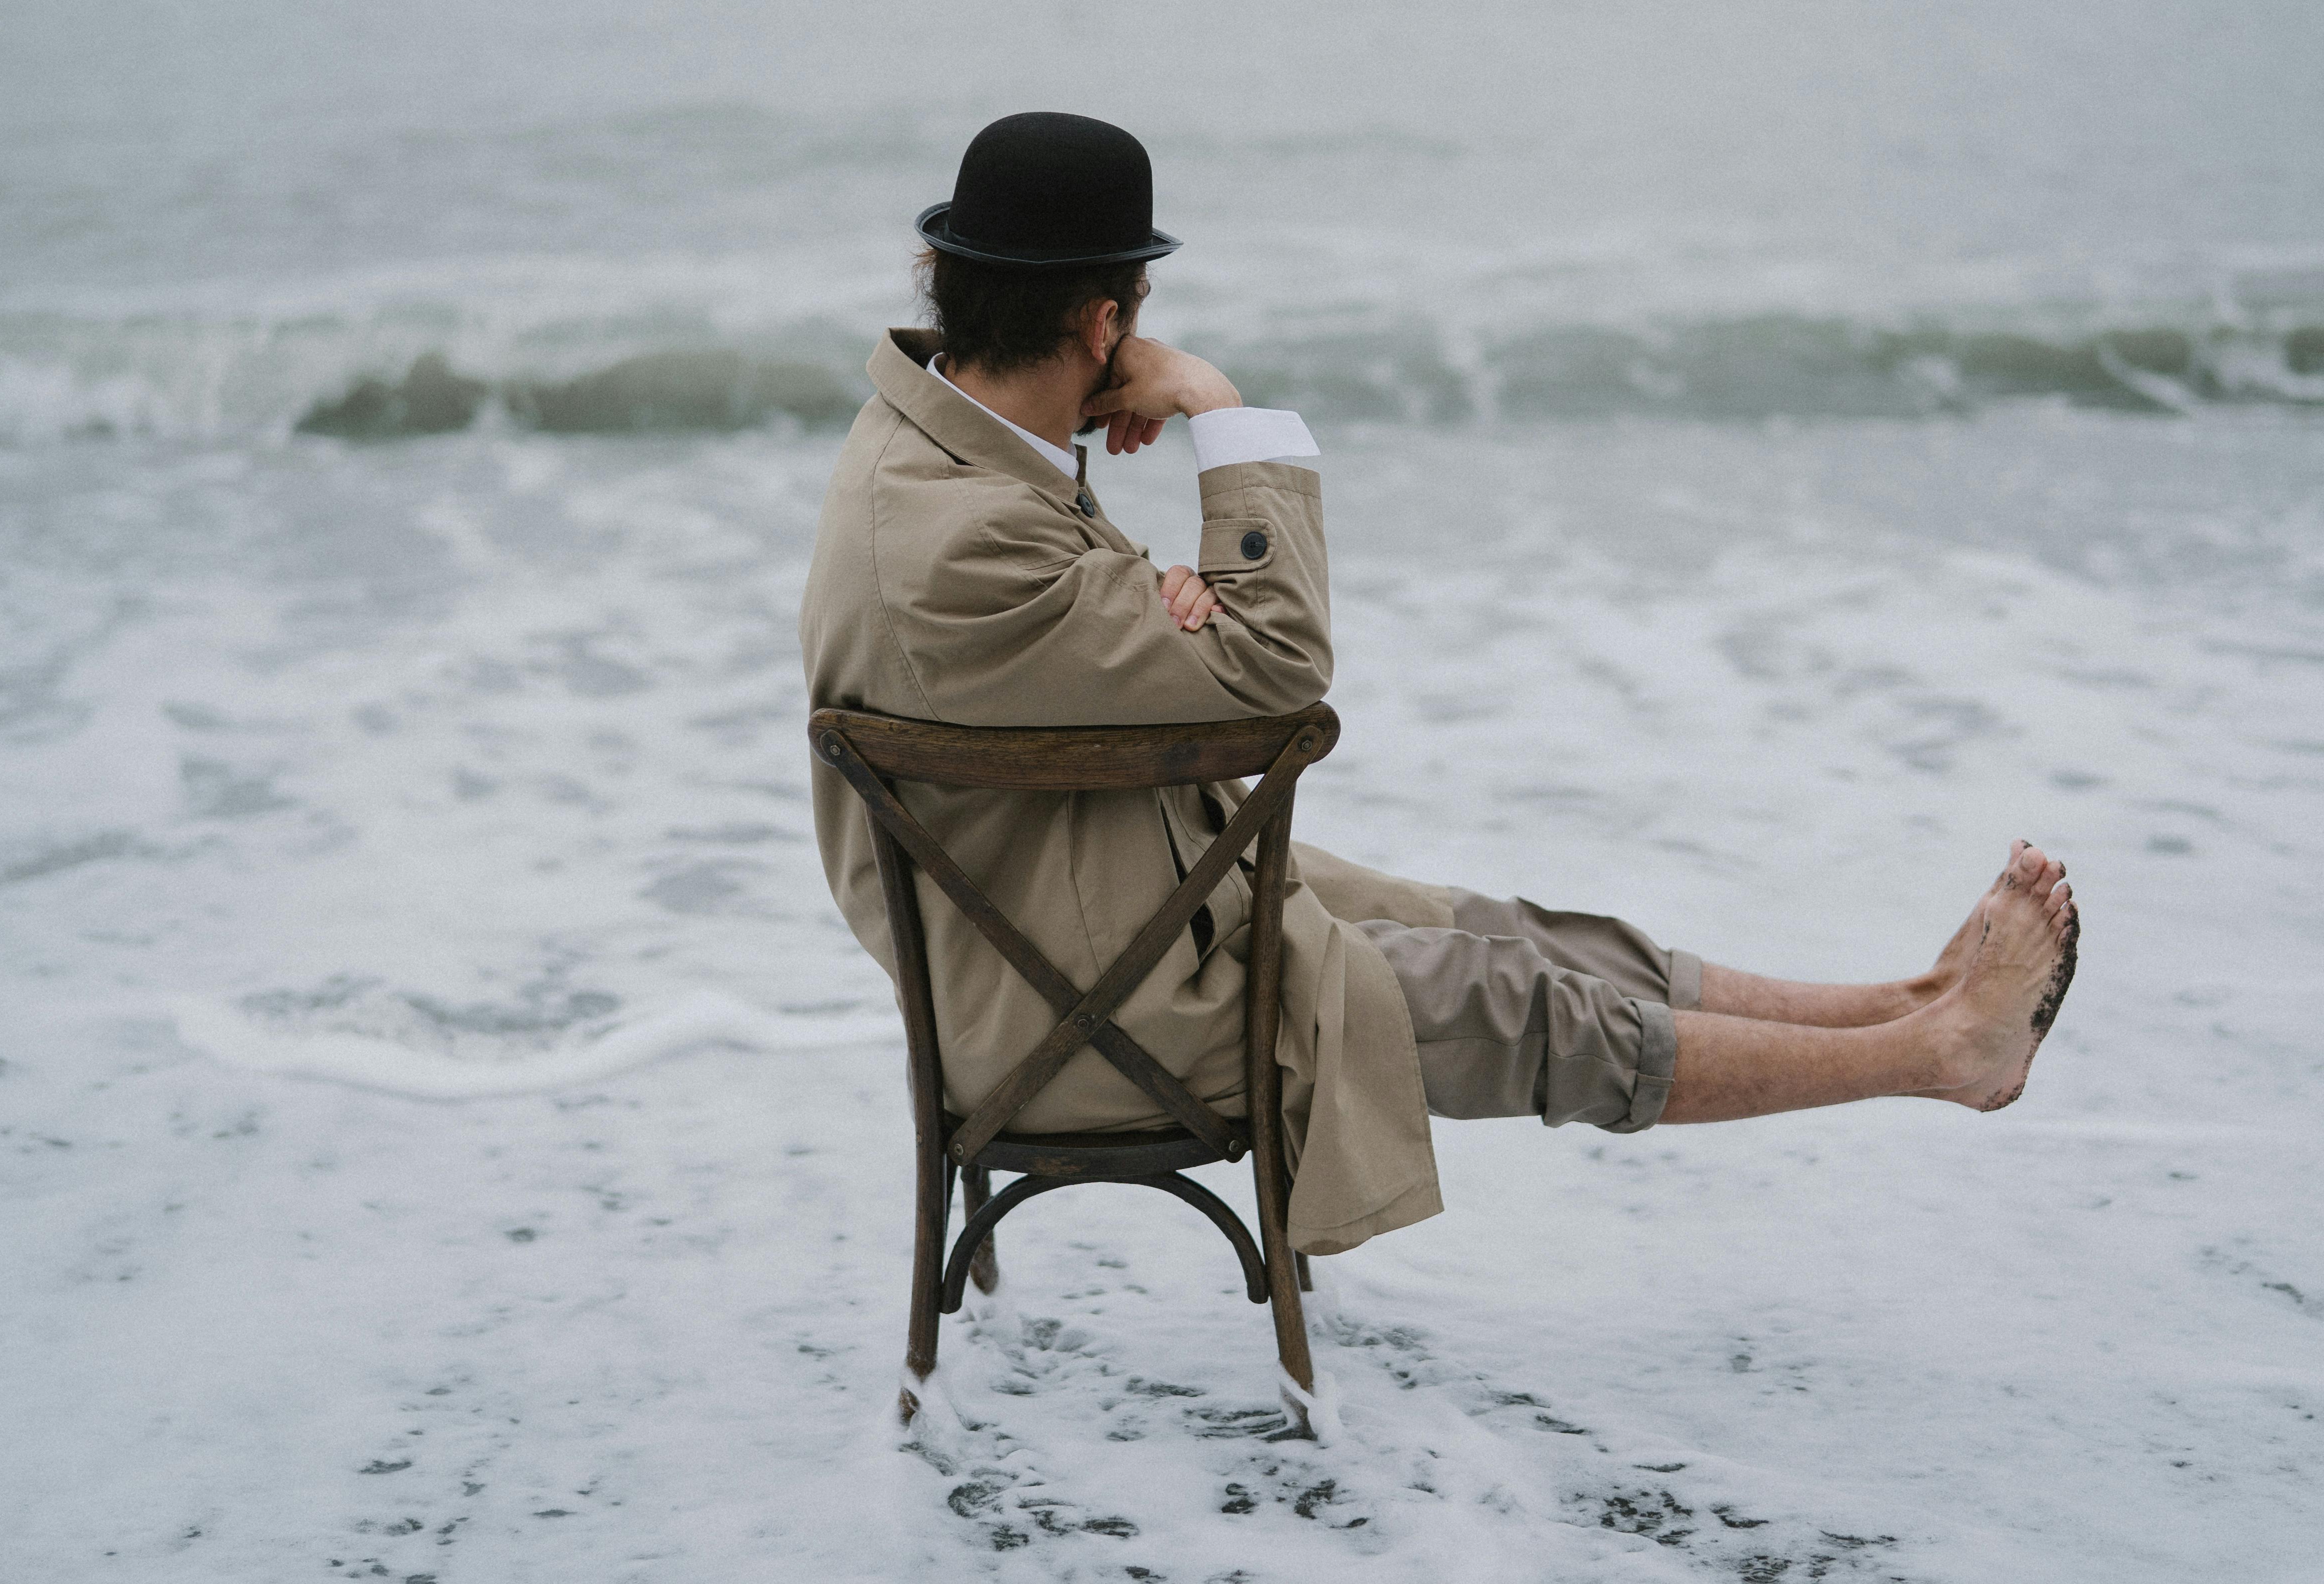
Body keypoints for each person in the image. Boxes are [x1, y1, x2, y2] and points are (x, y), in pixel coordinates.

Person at [801, 112, 2079, 1257]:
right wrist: (1217, 411)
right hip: (1085, 1014)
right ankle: (1938, 1057)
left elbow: (1202, 658)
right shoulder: (971, 536)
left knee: (1500, 929)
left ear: (954, 289)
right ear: (1105, 322)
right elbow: (1278, 679)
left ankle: (1906, 1001)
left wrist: (1189, 621)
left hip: (1099, 906)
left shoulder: (930, 447)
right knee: (1524, 1004)